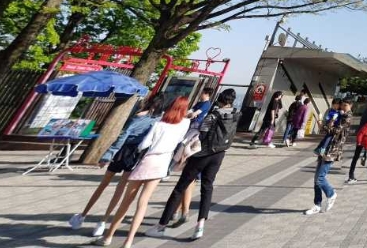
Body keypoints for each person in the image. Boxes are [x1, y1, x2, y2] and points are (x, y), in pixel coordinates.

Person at [94, 96, 191, 247]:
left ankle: (108, 236)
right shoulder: (185, 124)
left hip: (148, 160)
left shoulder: (159, 124)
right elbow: (181, 137)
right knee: (143, 202)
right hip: (162, 163)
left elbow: (144, 145)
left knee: (126, 202)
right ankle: (129, 240)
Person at [146, 89, 240, 241]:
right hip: (219, 154)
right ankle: (200, 226)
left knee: (180, 188)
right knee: (207, 188)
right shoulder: (236, 114)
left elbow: (202, 133)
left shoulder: (214, 115)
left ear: (220, 99)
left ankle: (161, 226)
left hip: (203, 153)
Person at [69, 96, 163, 237]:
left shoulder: (138, 116)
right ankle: (103, 222)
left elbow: (123, 136)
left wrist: (108, 155)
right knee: (120, 188)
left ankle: (83, 215)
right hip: (135, 155)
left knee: (103, 184)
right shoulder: (157, 121)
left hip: (122, 151)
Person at [305, 98, 352, 215]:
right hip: (325, 148)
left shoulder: (347, 117)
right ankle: (317, 204)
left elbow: (335, 131)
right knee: (316, 180)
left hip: (332, 150)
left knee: (320, 178)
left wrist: (323, 125)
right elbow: (330, 128)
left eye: (345, 105)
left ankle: (331, 194)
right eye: (342, 105)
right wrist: (328, 123)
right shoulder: (340, 114)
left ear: (350, 105)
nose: (343, 107)